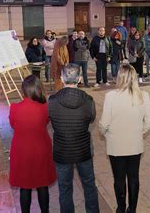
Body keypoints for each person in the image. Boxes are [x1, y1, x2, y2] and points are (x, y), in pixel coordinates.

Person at [99, 64, 150, 213]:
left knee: (118, 179)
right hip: (134, 144)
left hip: (115, 145)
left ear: (120, 77)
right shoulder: (143, 95)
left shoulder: (111, 96)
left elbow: (104, 123)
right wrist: (140, 131)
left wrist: (105, 133)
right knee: (133, 177)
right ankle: (132, 209)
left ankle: (121, 207)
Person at [48, 64, 99, 212]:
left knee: (64, 189)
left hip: (62, 152)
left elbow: (51, 119)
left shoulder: (52, 101)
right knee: (89, 185)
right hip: (83, 151)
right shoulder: (88, 100)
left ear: (62, 78)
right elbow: (91, 119)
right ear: (80, 79)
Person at [9, 75, 57, 213]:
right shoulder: (45, 108)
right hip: (41, 148)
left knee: (25, 186)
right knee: (43, 185)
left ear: (23, 90)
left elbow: (13, 125)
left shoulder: (14, 108)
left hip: (22, 150)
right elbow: (46, 122)